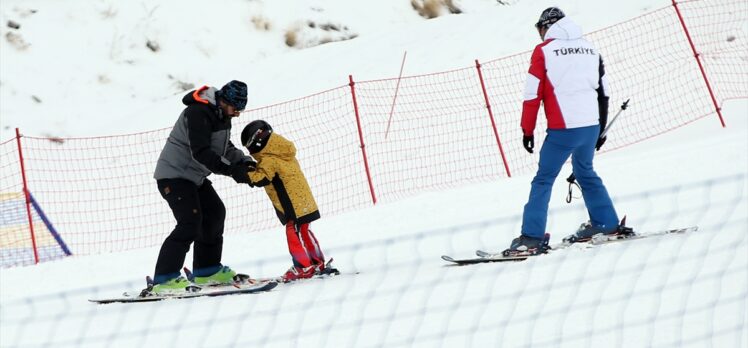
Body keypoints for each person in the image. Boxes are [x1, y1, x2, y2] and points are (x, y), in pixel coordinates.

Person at [504, 7, 627, 255]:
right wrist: (600, 130)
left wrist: (527, 130)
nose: (540, 35)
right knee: (585, 171)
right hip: (590, 126)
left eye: (540, 29)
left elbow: (532, 95)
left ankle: (531, 237)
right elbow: (603, 93)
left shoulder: (544, 52)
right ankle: (606, 223)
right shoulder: (591, 48)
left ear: (547, 26)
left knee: (543, 179)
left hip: (563, 130)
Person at [148, 80, 256, 294]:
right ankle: (164, 278)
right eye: (236, 109)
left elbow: (224, 148)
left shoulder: (221, 116)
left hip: (193, 177)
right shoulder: (197, 113)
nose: (237, 114)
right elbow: (202, 153)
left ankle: (207, 271)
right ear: (224, 101)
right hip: (174, 176)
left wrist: (244, 162)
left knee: (215, 213)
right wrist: (233, 171)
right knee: (190, 222)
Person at [239, 120, 338, 282]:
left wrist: (244, 173)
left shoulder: (268, 159)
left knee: (293, 233)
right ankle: (316, 262)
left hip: (292, 205)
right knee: (304, 231)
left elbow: (261, 178)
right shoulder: (282, 151)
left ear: (257, 142)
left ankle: (303, 266)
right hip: (303, 202)